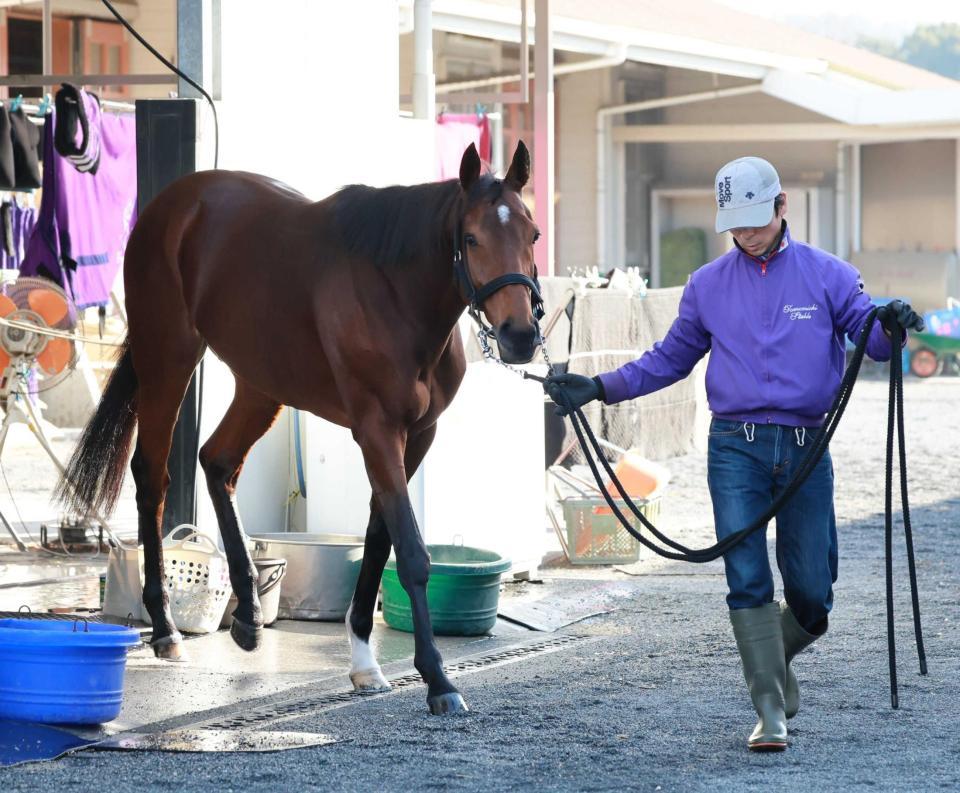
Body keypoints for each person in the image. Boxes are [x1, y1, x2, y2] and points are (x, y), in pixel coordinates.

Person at [544, 156, 924, 752]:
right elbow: (668, 360)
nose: (745, 234)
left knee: (813, 593)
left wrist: (892, 320)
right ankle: (769, 707)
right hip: (734, 449)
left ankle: (772, 657)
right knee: (746, 578)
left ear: (781, 207)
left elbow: (871, 339)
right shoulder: (706, 286)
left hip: (805, 445)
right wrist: (599, 387)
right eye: (735, 225)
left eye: (755, 220)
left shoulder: (829, 275)